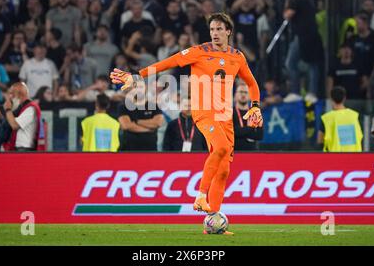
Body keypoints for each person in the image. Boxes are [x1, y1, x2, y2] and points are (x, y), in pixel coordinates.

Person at [111, 13, 262, 235]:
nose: (215, 33)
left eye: (219, 29)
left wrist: (255, 105)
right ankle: (201, 196)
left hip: (224, 116)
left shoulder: (237, 57)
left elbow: (251, 82)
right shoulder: (199, 51)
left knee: (224, 170)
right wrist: (137, 76)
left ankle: (213, 221)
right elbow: (167, 63)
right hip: (203, 112)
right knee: (219, 148)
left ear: (228, 31)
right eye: (212, 30)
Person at [283, 0, 324, 103]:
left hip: (302, 37)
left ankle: (296, 91)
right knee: (312, 65)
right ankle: (311, 92)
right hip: (311, 36)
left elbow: (287, 15)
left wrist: (288, 3)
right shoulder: (309, 1)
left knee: (291, 63)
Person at [117, 84, 164, 151]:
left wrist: (136, 121)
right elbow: (126, 125)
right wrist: (150, 129)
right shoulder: (123, 106)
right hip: (129, 150)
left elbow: (157, 123)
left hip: (150, 150)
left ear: (146, 88)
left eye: (141, 87)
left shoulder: (154, 106)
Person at [318, 87, 363, 152]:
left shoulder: (326, 118)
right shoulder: (354, 116)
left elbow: (320, 140)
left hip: (334, 159)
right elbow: (360, 137)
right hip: (354, 158)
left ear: (331, 99)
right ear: (344, 98)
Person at [2, 82, 43, 151]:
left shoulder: (31, 108)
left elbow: (14, 125)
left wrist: (8, 109)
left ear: (20, 94)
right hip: (19, 148)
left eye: (12, 94)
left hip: (24, 149)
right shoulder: (22, 108)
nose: (10, 97)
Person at [233, 82, 263, 151]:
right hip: (235, 152)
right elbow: (233, 132)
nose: (243, 94)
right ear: (235, 95)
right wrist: (250, 128)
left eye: (246, 92)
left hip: (252, 154)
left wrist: (241, 132)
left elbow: (259, 135)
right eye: (241, 92)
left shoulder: (255, 113)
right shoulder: (230, 112)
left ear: (250, 96)